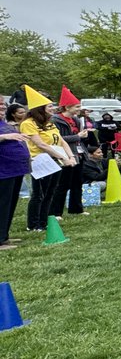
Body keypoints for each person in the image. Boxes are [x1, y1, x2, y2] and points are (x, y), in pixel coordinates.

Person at [20, 94, 73, 232]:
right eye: (49, 106)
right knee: (39, 193)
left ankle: (44, 222)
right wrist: (63, 157)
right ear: (40, 108)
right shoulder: (28, 124)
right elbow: (40, 144)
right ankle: (33, 224)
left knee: (50, 192)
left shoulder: (49, 123)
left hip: (54, 160)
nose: (53, 108)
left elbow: (61, 140)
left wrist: (70, 156)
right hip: (39, 161)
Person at [0, 100, 32, 249]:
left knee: (10, 203)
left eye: (3, 106)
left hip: (16, 169)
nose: (2, 109)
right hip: (3, 171)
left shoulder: (5, 124)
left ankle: (4, 235)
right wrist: (5, 137)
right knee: (2, 204)